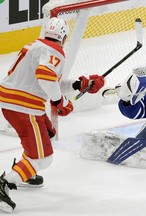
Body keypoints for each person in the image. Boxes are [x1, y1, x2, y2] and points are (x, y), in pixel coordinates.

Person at [0, 17, 104, 213]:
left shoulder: (36, 45)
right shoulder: (54, 50)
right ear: (63, 37)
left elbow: (49, 80)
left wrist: (80, 84)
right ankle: (5, 182)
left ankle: (25, 172)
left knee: (47, 132)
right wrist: (60, 102)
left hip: (14, 104)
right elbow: (46, 78)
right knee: (43, 159)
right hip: (24, 107)